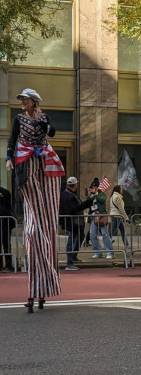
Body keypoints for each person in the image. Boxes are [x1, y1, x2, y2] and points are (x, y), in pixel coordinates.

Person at [6, 88, 65, 313]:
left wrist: (45, 127)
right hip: (26, 162)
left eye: (25, 99)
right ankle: (36, 291)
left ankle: (40, 292)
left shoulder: (42, 116)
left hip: (43, 162)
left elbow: (51, 133)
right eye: (21, 99)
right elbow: (12, 139)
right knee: (33, 231)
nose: (22, 102)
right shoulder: (19, 118)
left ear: (34, 101)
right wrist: (8, 158)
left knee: (45, 228)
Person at [60, 176, 93, 271]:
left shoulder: (70, 194)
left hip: (76, 221)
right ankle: (69, 263)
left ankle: (73, 257)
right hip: (72, 222)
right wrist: (88, 202)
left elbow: (78, 206)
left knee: (80, 237)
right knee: (72, 240)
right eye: (76, 185)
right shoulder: (67, 195)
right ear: (74, 185)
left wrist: (87, 202)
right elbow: (75, 208)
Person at [89, 180, 113, 259]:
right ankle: (97, 252)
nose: (92, 189)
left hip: (102, 217)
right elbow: (89, 206)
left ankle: (109, 252)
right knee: (92, 235)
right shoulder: (91, 196)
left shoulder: (102, 194)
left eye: (93, 187)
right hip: (94, 217)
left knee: (105, 235)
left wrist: (96, 195)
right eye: (91, 187)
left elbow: (102, 200)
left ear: (97, 187)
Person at [0, 186, 15, 272]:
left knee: (6, 244)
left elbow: (8, 207)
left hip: (5, 222)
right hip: (5, 221)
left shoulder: (5, 192)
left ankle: (9, 265)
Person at [110, 185, 129, 249]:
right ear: (118, 189)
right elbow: (121, 209)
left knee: (122, 231)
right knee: (112, 231)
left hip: (115, 215)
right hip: (117, 216)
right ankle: (107, 243)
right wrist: (126, 217)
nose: (122, 190)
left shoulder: (112, 196)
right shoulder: (118, 197)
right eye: (121, 189)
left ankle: (127, 245)